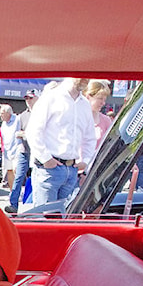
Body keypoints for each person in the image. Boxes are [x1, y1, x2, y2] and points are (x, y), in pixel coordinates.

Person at [25, 78, 97, 211]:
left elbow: (90, 137)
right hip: (49, 169)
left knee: (63, 221)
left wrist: (85, 160)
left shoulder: (84, 104)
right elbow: (33, 131)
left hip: (71, 169)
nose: (86, 78)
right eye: (82, 75)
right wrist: (46, 159)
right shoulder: (51, 98)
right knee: (44, 220)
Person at [10, 89, 38, 214]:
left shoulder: (42, 113)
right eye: (26, 98)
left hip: (38, 152)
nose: (28, 101)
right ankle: (13, 205)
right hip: (24, 151)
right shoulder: (22, 116)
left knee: (37, 179)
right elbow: (17, 133)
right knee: (18, 177)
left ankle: (35, 206)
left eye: (30, 98)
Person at [85, 79, 114, 150]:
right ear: (88, 97)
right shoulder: (77, 117)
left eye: (104, 100)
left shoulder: (106, 121)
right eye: (100, 98)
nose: (103, 103)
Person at [0, 104, 19, 192]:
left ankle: (18, 192)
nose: (0, 115)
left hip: (17, 150)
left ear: (8, 113)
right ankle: (12, 192)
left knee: (16, 171)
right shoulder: (3, 124)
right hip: (7, 151)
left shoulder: (17, 120)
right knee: (9, 171)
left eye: (2, 113)